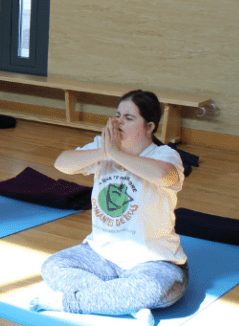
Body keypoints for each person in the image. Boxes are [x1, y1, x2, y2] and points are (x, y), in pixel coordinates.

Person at [31, 90, 187, 326]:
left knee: (155, 289)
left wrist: (115, 153)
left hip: (153, 261)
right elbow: (62, 163)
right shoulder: (102, 147)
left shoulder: (164, 154)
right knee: (53, 267)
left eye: (129, 117)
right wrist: (105, 151)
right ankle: (124, 305)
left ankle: (67, 303)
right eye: (117, 115)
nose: (118, 121)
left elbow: (167, 177)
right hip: (101, 254)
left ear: (149, 127)